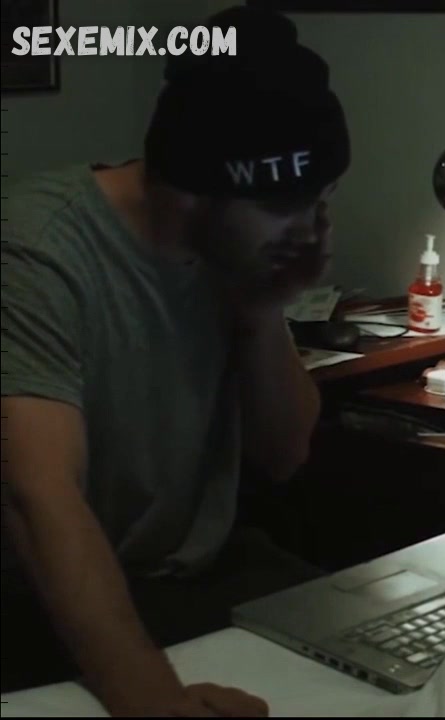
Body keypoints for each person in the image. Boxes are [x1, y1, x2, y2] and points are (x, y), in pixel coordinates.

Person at [0, 6, 350, 715]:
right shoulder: (37, 251)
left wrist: (263, 307)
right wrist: (155, 704)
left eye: (317, 200)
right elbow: (38, 499)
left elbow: (284, 454)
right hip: (41, 596)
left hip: (191, 575)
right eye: (283, 203)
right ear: (193, 193)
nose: (308, 227)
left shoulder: (230, 252)